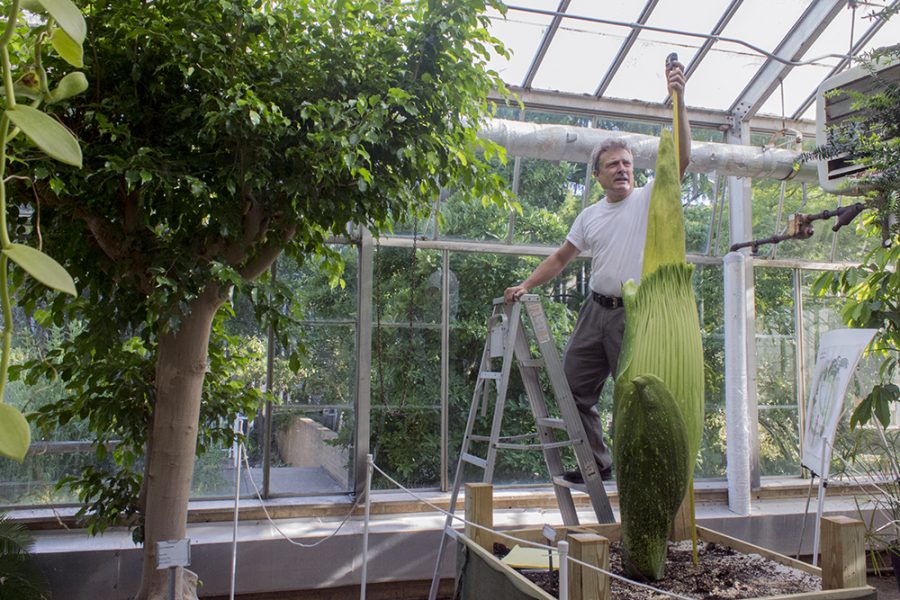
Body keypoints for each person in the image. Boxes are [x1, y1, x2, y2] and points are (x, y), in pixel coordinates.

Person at [503, 59, 692, 484]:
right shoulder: (589, 216)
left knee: (633, 395)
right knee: (571, 388)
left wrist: (680, 99)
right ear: (598, 175)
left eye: (627, 163)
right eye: (613, 165)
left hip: (634, 314)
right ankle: (599, 463)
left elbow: (680, 160)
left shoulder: (647, 199)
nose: (623, 169)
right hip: (595, 312)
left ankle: (636, 476)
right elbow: (561, 258)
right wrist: (526, 284)